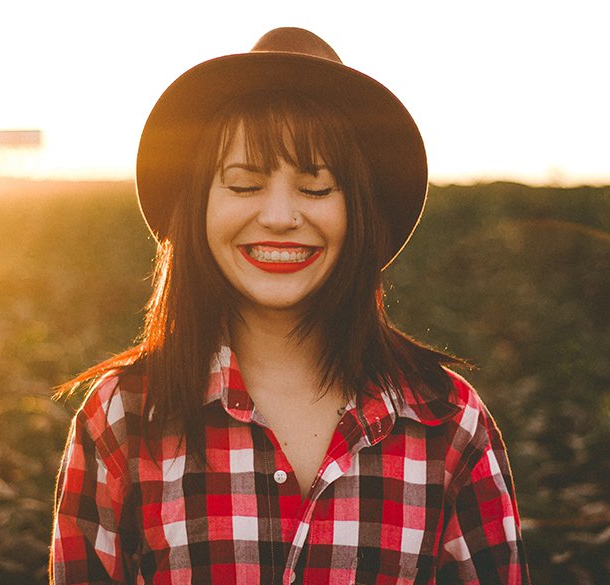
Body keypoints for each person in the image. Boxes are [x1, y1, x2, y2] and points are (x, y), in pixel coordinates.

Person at [51, 27, 529, 584]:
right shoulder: (123, 417)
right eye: (244, 184)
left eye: (316, 188)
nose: (280, 216)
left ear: (359, 212)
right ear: (198, 207)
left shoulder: (447, 421)